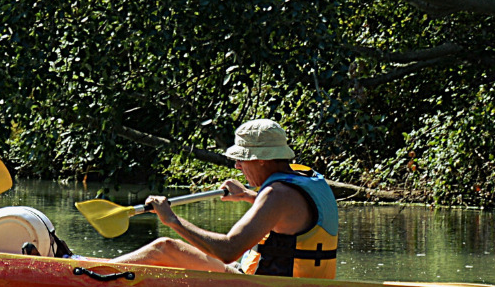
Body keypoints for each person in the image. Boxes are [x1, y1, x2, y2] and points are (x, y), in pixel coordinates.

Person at [110, 119, 340, 278]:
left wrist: (172, 220)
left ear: (262, 159)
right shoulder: (306, 176)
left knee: (164, 247)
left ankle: (90, 273)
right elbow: (292, 214)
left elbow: (228, 252)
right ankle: (92, 269)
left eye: (242, 159)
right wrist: (247, 196)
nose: (237, 165)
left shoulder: (276, 194)